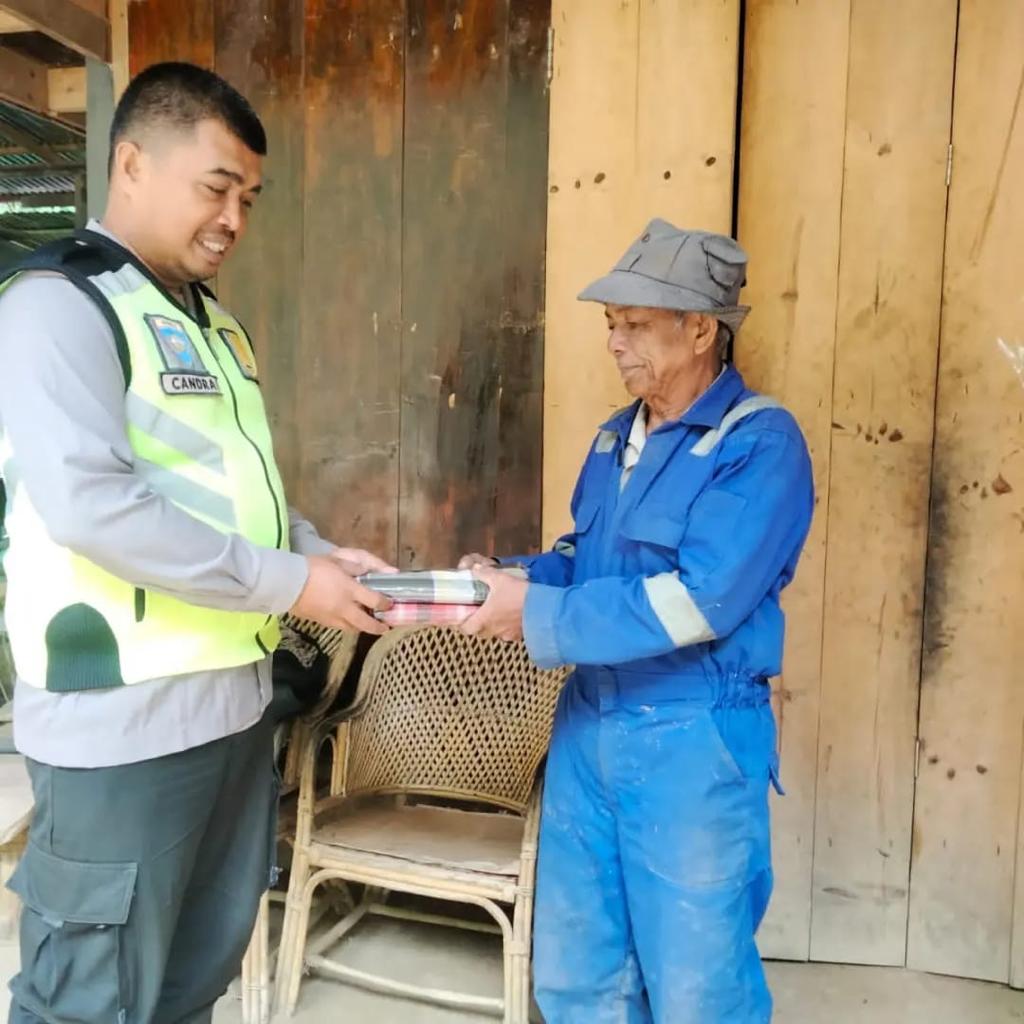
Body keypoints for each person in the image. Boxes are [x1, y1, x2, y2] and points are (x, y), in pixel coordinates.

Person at [0, 62, 393, 1023]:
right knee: (89, 1001)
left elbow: (238, 494)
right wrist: (289, 583)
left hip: (228, 717)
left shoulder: (214, 328)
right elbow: (97, 508)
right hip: (119, 731)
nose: (234, 219)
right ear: (132, 164)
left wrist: (315, 552)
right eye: (216, 188)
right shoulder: (57, 307)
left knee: (189, 985)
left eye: (249, 199)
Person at [460, 219, 814, 1023]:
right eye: (611, 325)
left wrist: (538, 612)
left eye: (636, 325)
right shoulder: (615, 436)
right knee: (581, 972)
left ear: (700, 330)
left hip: (693, 738)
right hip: (590, 728)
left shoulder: (758, 443)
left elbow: (698, 601)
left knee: (697, 983)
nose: (615, 344)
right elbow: (586, 559)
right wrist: (512, 578)